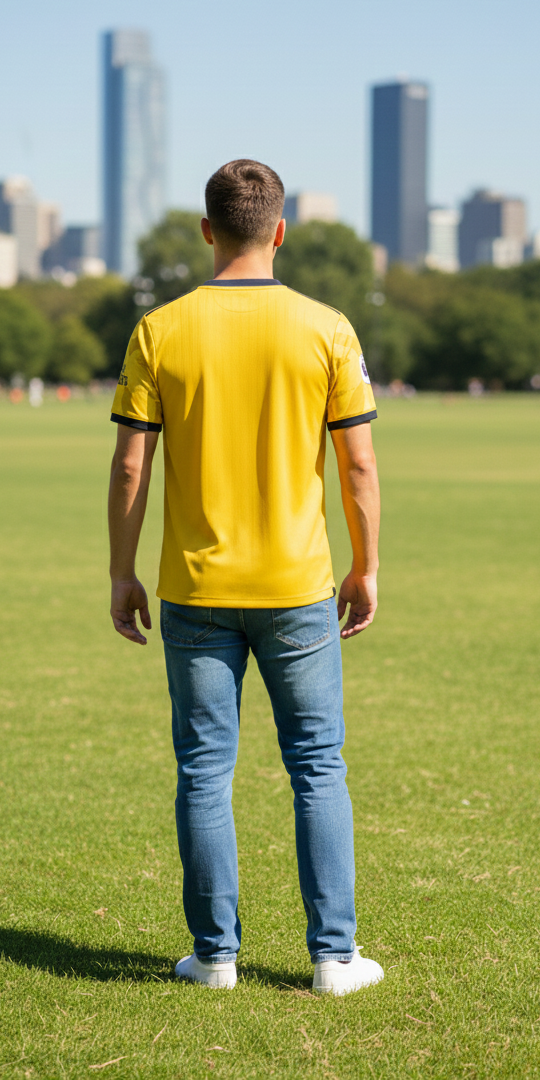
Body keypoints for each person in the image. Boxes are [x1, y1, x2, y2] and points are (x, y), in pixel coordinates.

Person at [107, 159, 383, 996]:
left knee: (203, 771)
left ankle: (216, 958)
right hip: (298, 586)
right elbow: (359, 466)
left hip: (194, 590)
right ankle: (334, 959)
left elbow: (129, 470)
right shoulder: (328, 327)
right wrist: (366, 566)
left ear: (206, 230)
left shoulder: (160, 329)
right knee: (317, 767)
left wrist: (122, 571)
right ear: (280, 229)